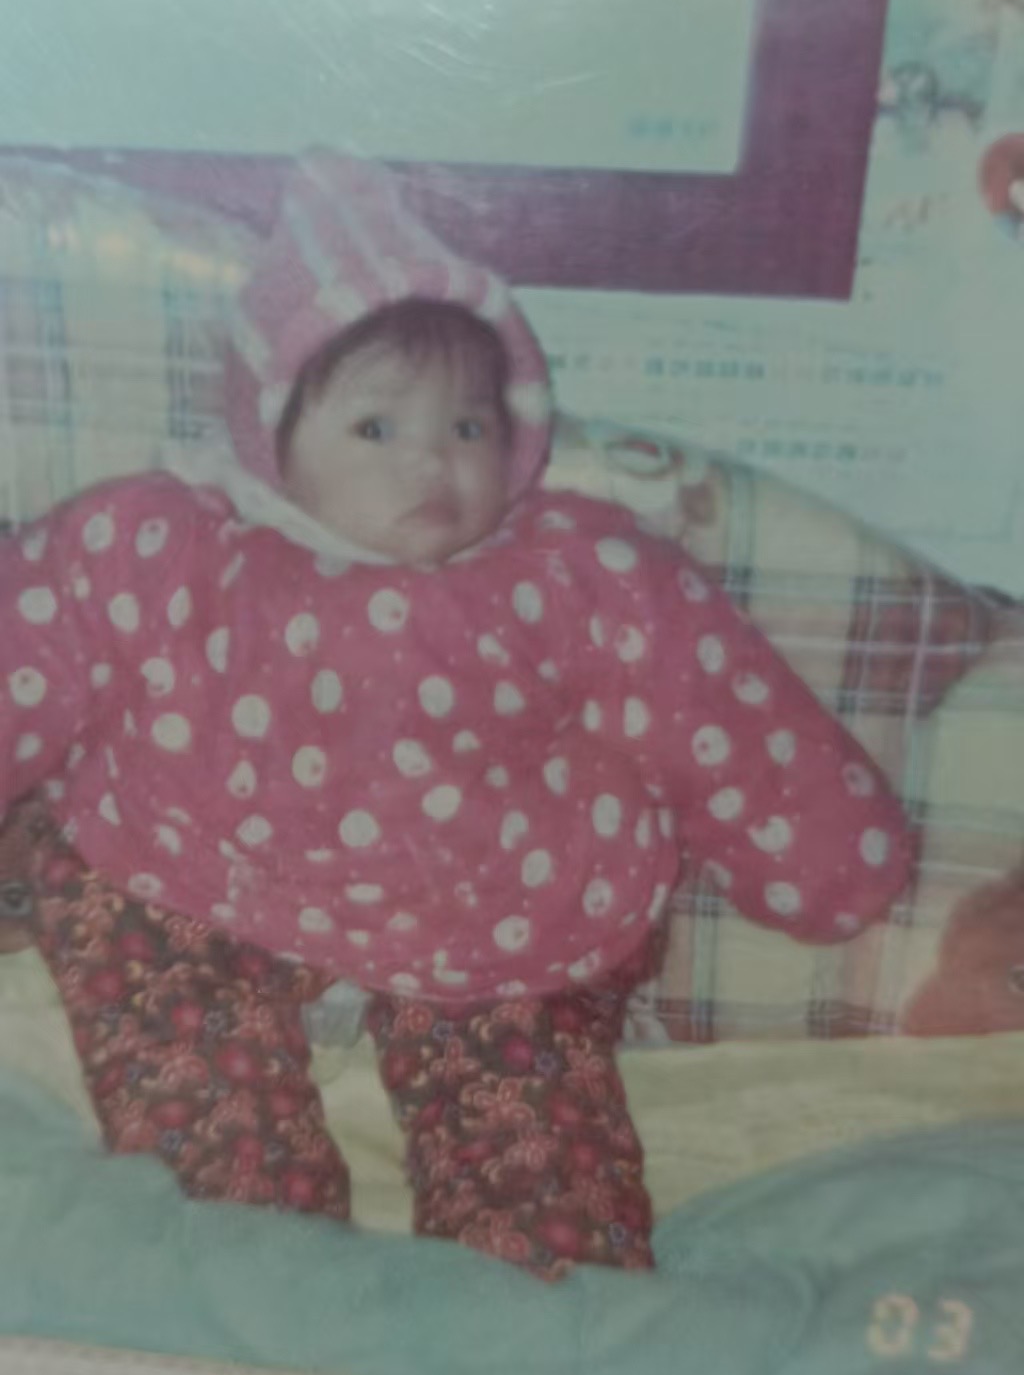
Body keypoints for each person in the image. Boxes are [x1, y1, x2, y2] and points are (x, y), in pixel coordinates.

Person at [0, 154, 913, 1277]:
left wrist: (828, 861)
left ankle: (535, 1295)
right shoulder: (163, 545)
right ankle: (247, 1262)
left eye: (469, 427)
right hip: (194, 865)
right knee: (180, 1042)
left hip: (493, 907)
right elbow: (27, 642)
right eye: (376, 429)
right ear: (268, 434)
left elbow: (713, 705)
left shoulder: (574, 568)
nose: (432, 461)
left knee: (532, 1136)